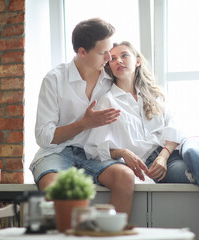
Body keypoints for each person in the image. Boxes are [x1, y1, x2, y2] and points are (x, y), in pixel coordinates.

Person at [84, 41, 199, 239]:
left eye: (124, 55)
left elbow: (176, 126)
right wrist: (121, 152)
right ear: (108, 66)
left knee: (193, 152)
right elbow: (93, 148)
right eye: (112, 59)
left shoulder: (154, 94)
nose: (118, 61)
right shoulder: (107, 101)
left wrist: (164, 156)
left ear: (137, 61)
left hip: (179, 149)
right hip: (155, 166)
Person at [29, 19, 136, 216]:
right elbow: (44, 137)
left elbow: (138, 84)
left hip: (93, 154)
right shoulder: (54, 79)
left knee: (126, 177)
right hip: (56, 153)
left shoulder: (109, 77)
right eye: (102, 52)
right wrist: (84, 124)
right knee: (55, 187)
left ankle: (110, 236)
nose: (109, 56)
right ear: (82, 52)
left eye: (110, 49)